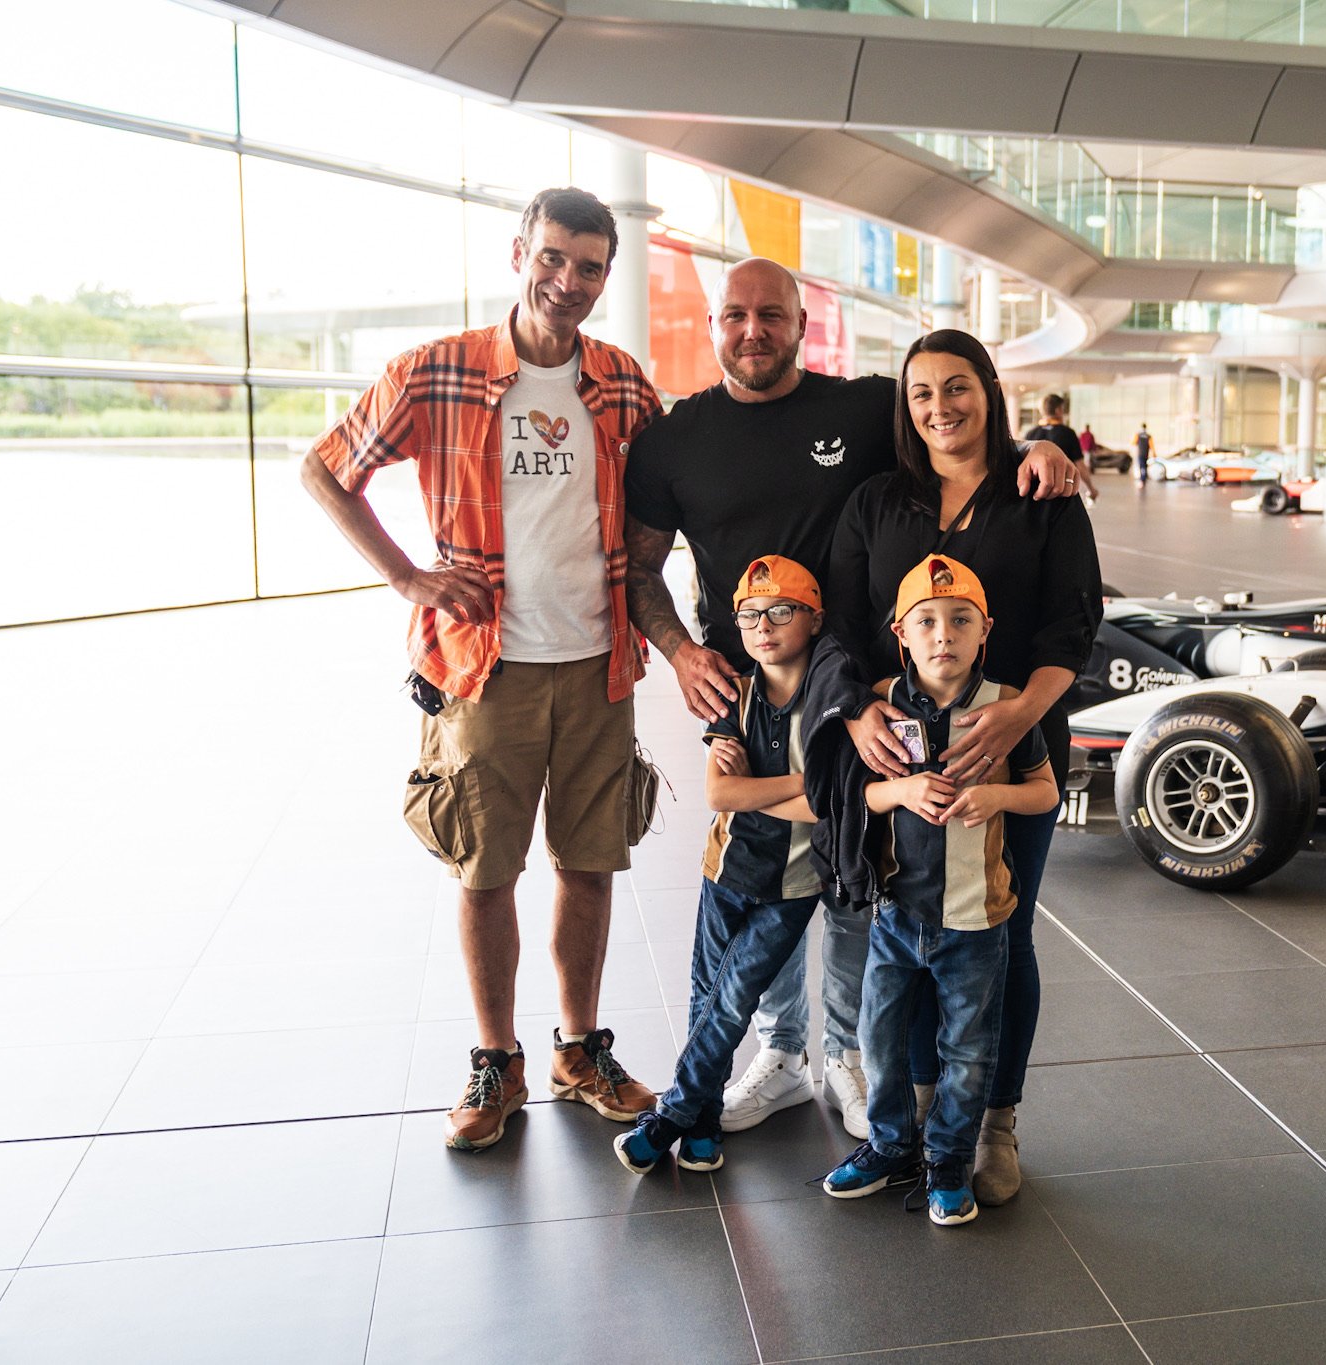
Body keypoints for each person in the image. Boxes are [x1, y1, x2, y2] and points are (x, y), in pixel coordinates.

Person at [622, 260, 1076, 1140]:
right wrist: (679, 654)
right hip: (743, 689)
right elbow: (641, 569)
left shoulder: (858, 407)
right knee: (757, 880)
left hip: (844, 687)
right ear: (714, 324)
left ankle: (849, 1053)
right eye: (735, 315)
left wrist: (1044, 449)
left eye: (771, 314)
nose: (752, 330)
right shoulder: (674, 440)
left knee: (854, 871)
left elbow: (953, 419)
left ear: (801, 323)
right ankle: (783, 1050)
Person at [301, 187, 662, 1152]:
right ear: (518, 253)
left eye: (589, 267)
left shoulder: (623, 385)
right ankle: (496, 1059)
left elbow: (677, 498)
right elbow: (327, 468)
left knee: (590, 863)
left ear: (605, 275)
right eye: (553, 258)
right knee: (485, 867)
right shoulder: (437, 372)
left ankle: (579, 1048)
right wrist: (407, 577)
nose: (568, 281)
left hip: (597, 666)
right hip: (484, 668)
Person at [827, 329, 1102, 1207]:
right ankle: (908, 1120)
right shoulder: (877, 501)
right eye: (921, 395)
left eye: (957, 387)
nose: (940, 407)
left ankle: (994, 1121)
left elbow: (1072, 629)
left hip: (1010, 748)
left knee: (1002, 936)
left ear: (989, 389)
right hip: (902, 755)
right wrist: (866, 711)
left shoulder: (1040, 498)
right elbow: (840, 622)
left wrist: (1016, 713)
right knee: (904, 935)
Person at [820, 554, 1057, 1226]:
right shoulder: (881, 703)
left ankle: (950, 1160)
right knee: (878, 1036)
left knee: (970, 1047)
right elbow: (853, 793)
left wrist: (996, 795)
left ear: (987, 630)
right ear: (901, 631)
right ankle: (892, 1142)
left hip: (978, 920)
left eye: (960, 620)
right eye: (926, 620)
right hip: (897, 914)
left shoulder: (1006, 709)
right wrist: (901, 789)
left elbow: (1047, 792)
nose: (942, 634)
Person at [614, 555, 829, 1176]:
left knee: (734, 999)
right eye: (749, 615)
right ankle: (702, 1122)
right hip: (725, 871)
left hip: (792, 885)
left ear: (814, 620)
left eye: (780, 612)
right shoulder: (734, 692)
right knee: (706, 996)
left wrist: (776, 787)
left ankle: (669, 1117)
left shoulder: (830, 698)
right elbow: (721, 794)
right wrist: (796, 783)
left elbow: (826, 803)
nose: (763, 626)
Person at [1024, 393, 1096, 499]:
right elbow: (1080, 465)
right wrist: (1091, 489)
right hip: (1062, 492)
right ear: (1058, 410)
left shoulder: (1030, 433)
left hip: (1034, 493)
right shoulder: (1068, 433)